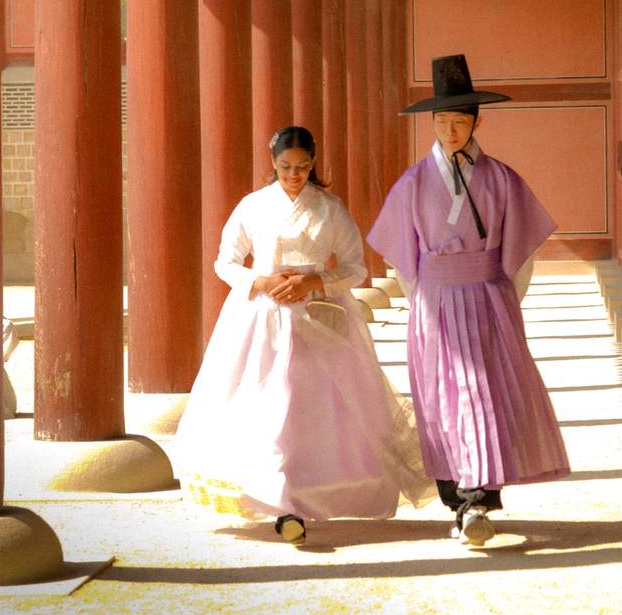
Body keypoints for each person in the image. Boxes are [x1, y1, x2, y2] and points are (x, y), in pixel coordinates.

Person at [176, 126, 433, 545]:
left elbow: (355, 267)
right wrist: (261, 282)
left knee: (311, 410)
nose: (294, 175)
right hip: (262, 317)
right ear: (272, 164)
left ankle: (308, 494)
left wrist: (313, 282)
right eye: (285, 167)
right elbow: (225, 262)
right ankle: (279, 500)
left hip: (320, 317)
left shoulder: (330, 208)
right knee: (270, 405)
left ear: (314, 164)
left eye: (302, 167)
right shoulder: (252, 206)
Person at [367, 54, 571, 547]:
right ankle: (457, 499)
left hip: (487, 298)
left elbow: (520, 254)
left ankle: (480, 497)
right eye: (442, 121)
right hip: (435, 301)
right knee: (441, 397)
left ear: (477, 121)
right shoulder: (413, 183)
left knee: (486, 395)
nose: (451, 130)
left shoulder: (501, 179)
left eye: (461, 121)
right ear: (431, 123)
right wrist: (425, 300)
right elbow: (403, 259)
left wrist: (505, 298)